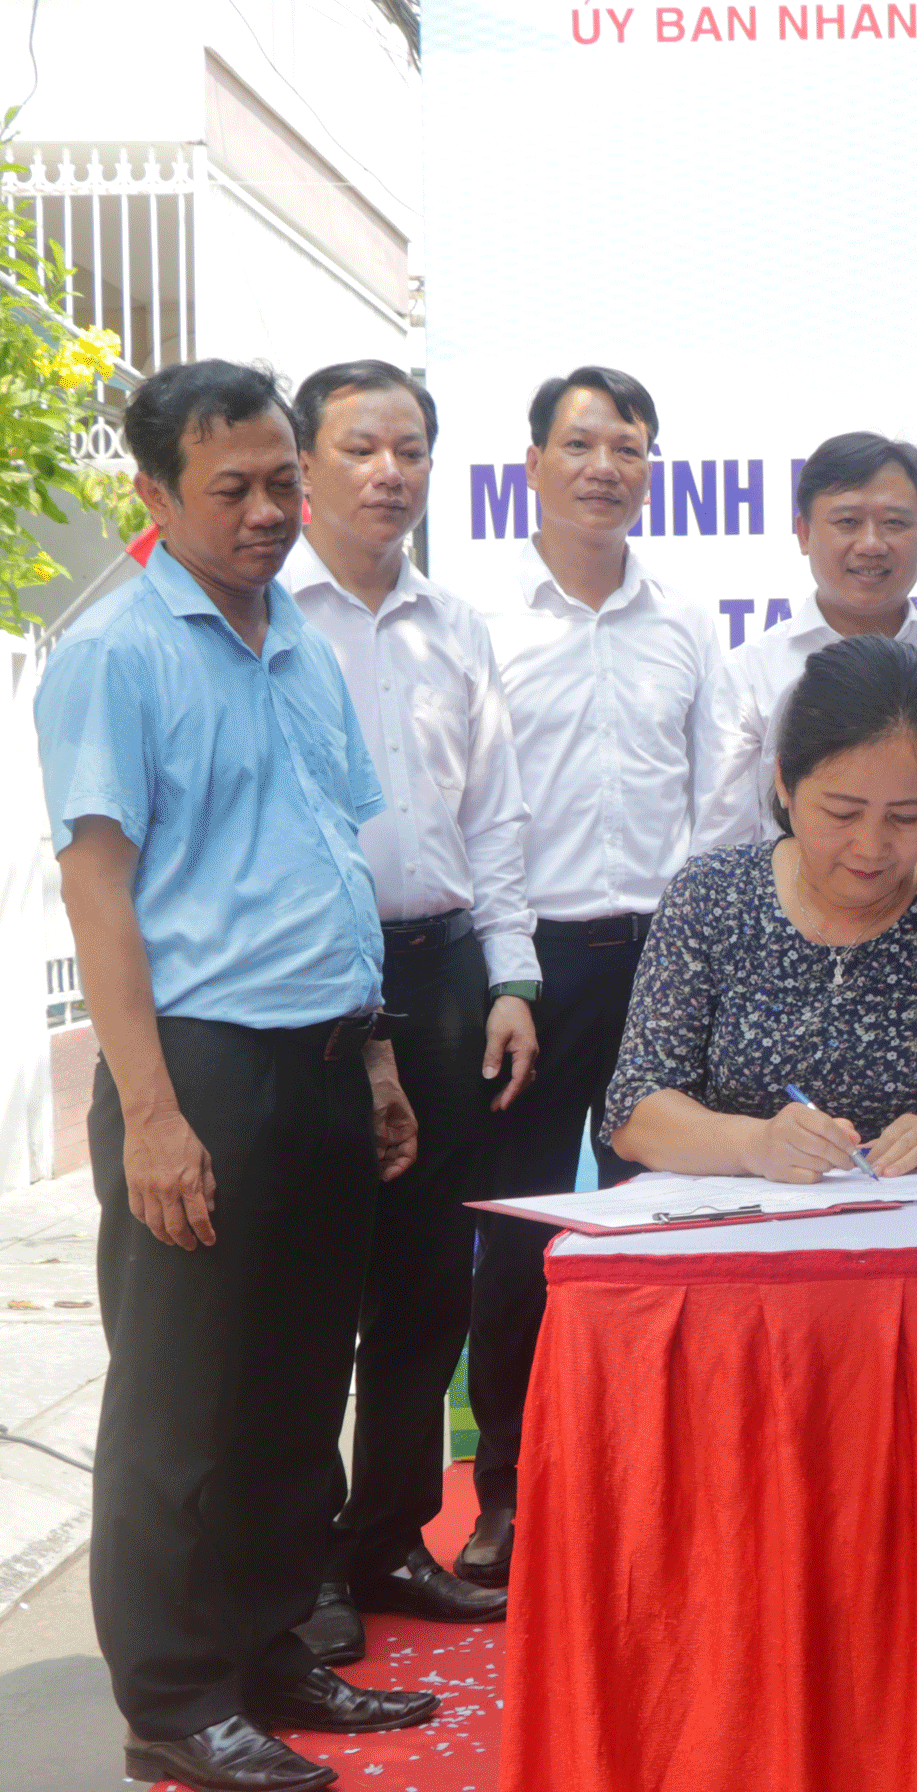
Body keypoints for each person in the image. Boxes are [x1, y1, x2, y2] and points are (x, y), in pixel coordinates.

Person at [38, 359, 436, 1792]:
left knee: (289, 1384)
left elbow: (335, 859)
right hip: (200, 1067)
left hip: (327, 1056)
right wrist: (150, 1112)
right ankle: (175, 1695)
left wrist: (379, 1054)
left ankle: (271, 1648)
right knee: (181, 1402)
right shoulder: (117, 653)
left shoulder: (298, 644)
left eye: (284, 480)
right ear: (153, 494)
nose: (275, 510)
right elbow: (100, 894)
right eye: (238, 489)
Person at [463, 365, 730, 1587]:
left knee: (665, 1230)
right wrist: (510, 971)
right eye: (580, 444)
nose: (604, 467)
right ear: (532, 464)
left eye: (627, 445)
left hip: (667, 967)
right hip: (534, 972)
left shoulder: (687, 625)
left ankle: (654, 1485)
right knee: (519, 1239)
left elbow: (721, 805)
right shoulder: (482, 624)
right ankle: (507, 1495)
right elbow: (480, 816)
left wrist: (706, 958)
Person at [282, 360, 525, 1658]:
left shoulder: (456, 627)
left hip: (441, 977)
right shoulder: (267, 619)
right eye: (362, 447)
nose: (390, 471)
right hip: (310, 986)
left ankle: (389, 1536)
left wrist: (515, 977)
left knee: (429, 1282)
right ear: (305, 465)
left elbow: (498, 821)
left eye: (413, 448)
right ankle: (307, 1558)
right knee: (318, 1285)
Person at [607, 635, 917, 1178]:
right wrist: (755, 1145)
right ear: (785, 782)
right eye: (842, 813)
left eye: (906, 816)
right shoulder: (713, 898)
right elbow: (635, 1110)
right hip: (747, 1233)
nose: (871, 847)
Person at [710, 431, 917, 854]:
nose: (871, 544)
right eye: (847, 522)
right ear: (804, 533)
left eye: (895, 523)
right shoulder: (746, 679)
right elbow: (722, 844)